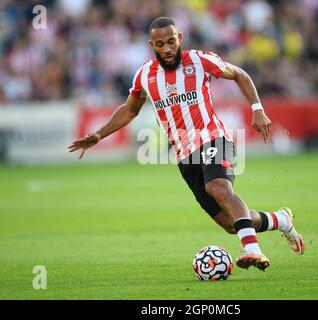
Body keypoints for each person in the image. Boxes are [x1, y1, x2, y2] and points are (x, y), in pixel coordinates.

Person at [68, 17, 304, 271]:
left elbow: (239, 74)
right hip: (185, 156)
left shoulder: (200, 61)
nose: (167, 49)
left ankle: (253, 250)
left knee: (219, 188)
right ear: (152, 45)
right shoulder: (145, 75)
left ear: (179, 38)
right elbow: (129, 110)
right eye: (160, 44)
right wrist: (99, 135)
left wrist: (257, 109)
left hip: (213, 137)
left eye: (171, 41)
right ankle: (280, 219)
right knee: (228, 223)